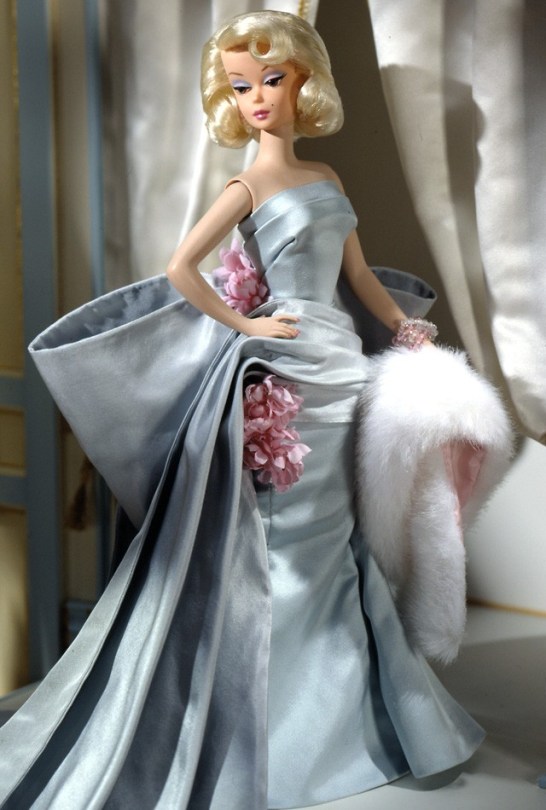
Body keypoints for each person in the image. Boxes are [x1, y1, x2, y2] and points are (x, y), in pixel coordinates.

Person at [0, 11, 496, 810]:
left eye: (272, 79)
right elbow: (181, 267)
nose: (258, 98)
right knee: (282, 549)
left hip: (341, 368)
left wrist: (400, 325)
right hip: (286, 372)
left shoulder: (326, 178)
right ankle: (268, 732)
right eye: (241, 86)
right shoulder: (247, 186)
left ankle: (345, 725)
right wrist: (248, 325)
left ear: (305, 83)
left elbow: (357, 273)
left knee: (339, 546)